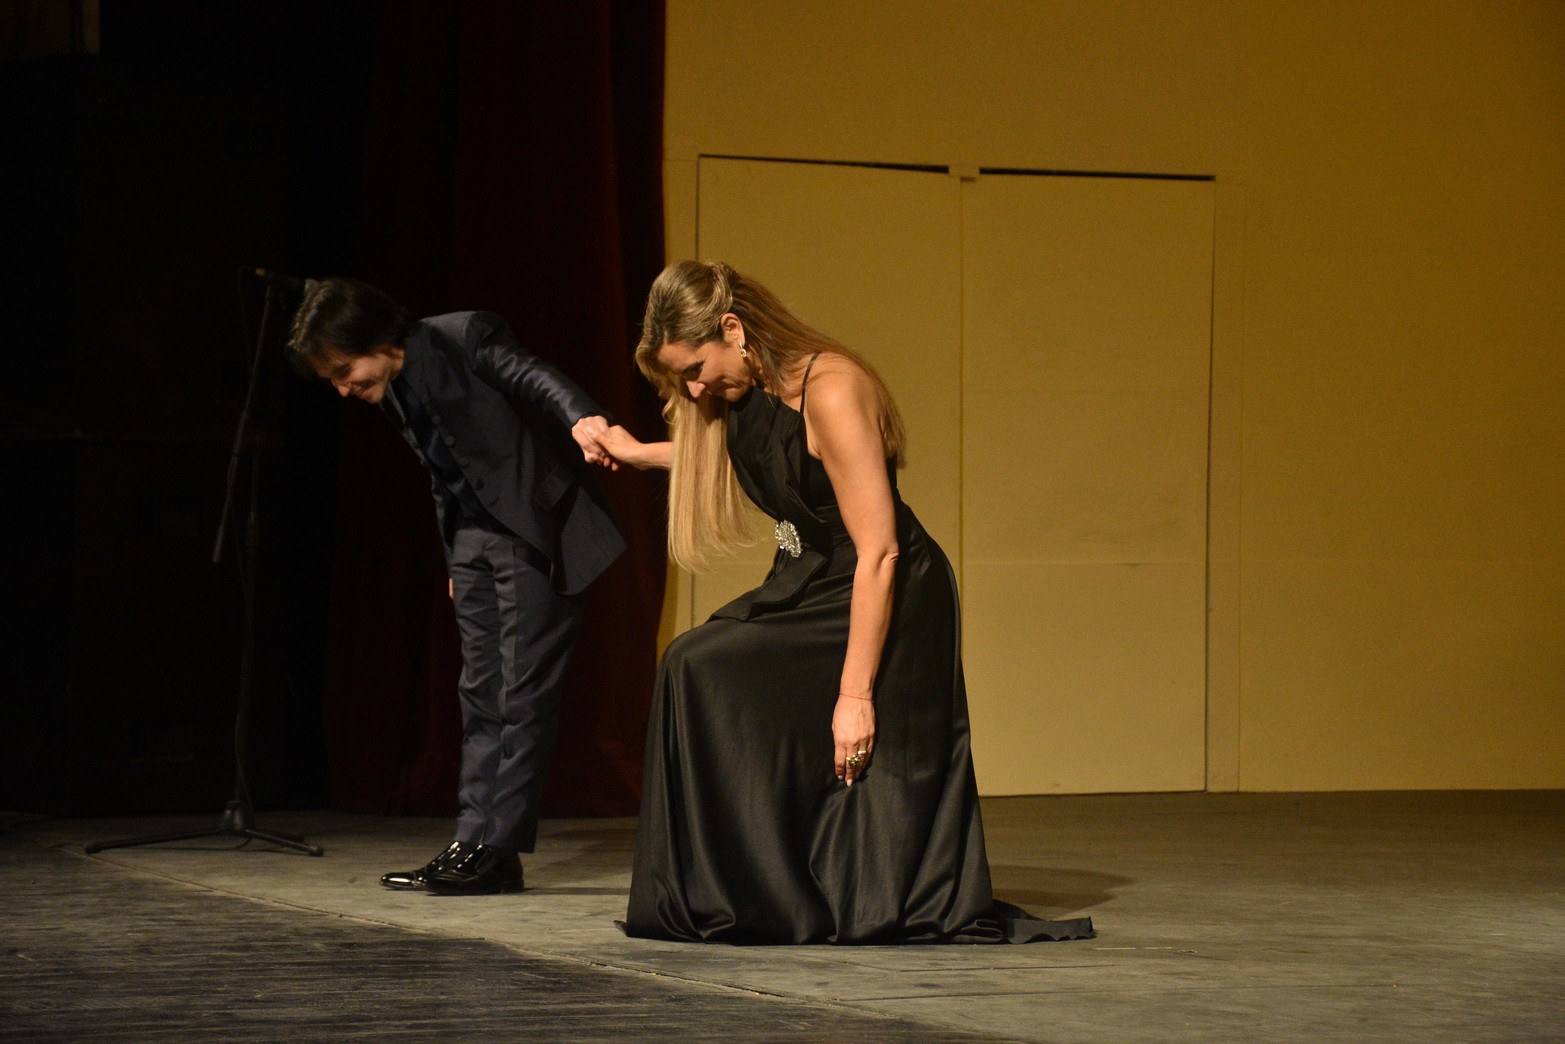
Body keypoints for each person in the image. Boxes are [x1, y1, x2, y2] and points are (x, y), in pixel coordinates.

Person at [599, 261, 1095, 943]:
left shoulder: (830, 391)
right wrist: (636, 453)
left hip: (877, 586)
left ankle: (799, 889)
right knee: (692, 665)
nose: (692, 387)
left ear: (733, 329)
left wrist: (855, 695)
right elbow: (754, 457)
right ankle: (748, 892)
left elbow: (881, 552)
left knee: (702, 666)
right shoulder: (746, 391)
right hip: (808, 579)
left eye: (695, 367)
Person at [287, 277, 625, 895]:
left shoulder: (461, 335)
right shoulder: (388, 391)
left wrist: (583, 419)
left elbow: (533, 377)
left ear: (379, 338)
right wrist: (454, 560)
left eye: (344, 369)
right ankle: (470, 840)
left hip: (530, 529)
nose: (342, 387)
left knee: (522, 692)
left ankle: (498, 850)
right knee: (479, 691)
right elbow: (444, 474)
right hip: (470, 542)